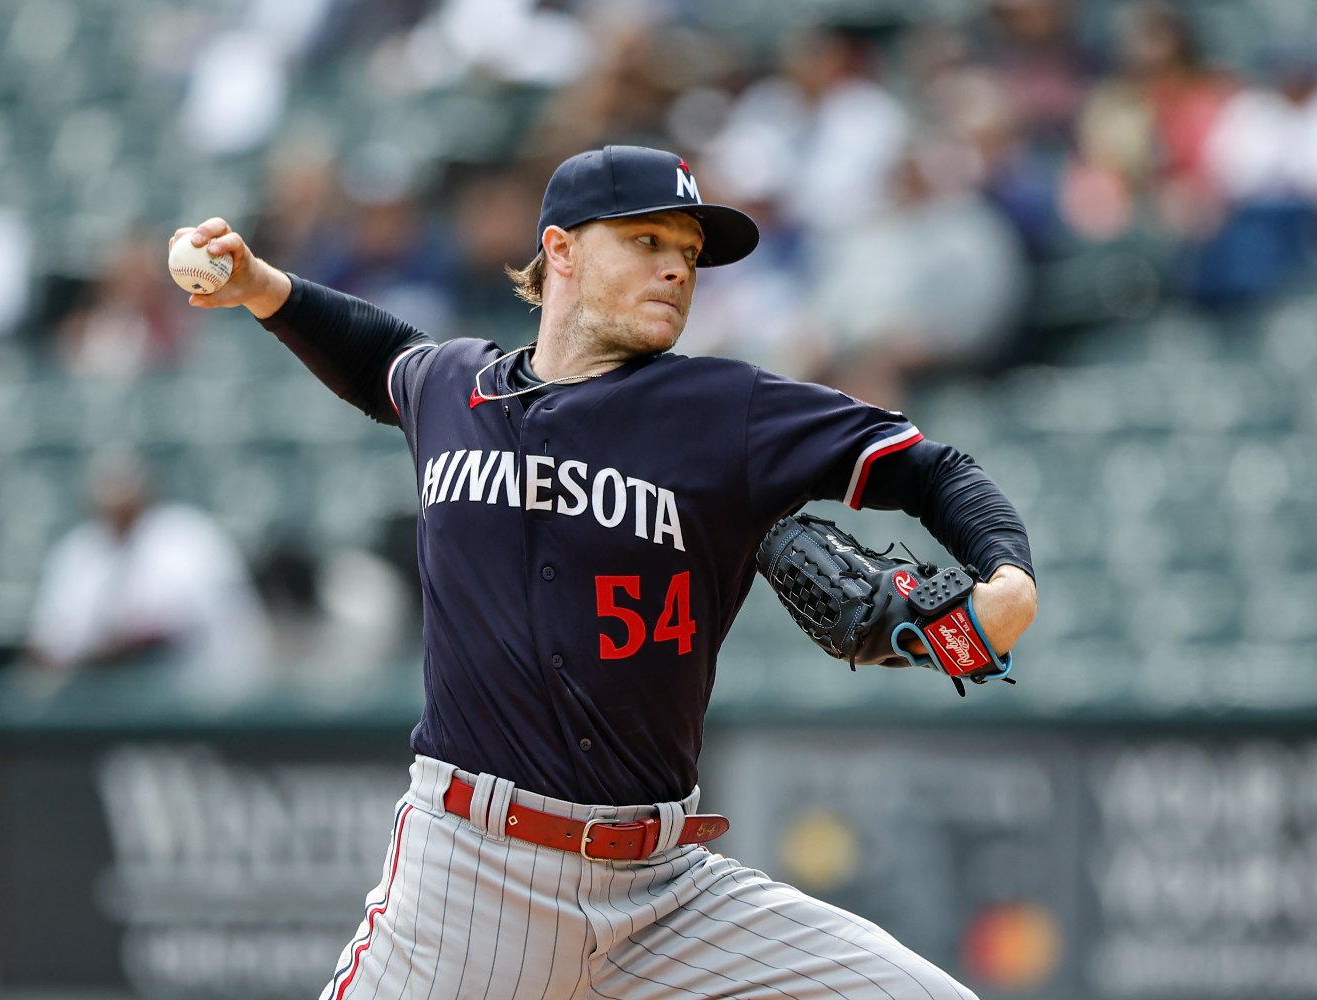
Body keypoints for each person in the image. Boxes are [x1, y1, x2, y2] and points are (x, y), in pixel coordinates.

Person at [172, 144, 1037, 999]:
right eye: (648, 242)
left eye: (690, 256)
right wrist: (260, 288)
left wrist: (1007, 578)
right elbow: (378, 358)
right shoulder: (453, 388)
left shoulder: (722, 411)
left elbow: (933, 469)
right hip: (472, 882)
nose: (677, 272)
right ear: (561, 250)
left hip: (670, 898)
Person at [25, 449, 271, 698]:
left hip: (197, 697)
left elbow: (206, 624)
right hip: (102, 701)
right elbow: (49, 644)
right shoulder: (77, 551)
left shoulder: (190, 537)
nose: (117, 503)